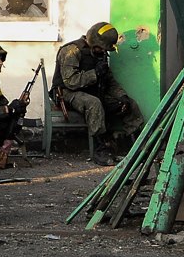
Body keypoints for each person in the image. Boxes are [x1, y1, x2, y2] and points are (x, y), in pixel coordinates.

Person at [53, 21, 144, 164]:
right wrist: (95, 73)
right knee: (94, 103)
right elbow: (70, 81)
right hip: (67, 93)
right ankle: (101, 149)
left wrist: (122, 96)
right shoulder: (72, 50)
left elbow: (110, 82)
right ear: (93, 41)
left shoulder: (100, 55)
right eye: (100, 48)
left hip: (91, 91)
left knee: (129, 104)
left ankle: (138, 145)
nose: (103, 52)